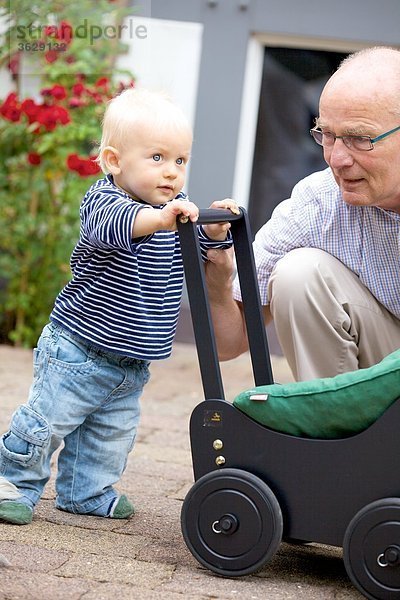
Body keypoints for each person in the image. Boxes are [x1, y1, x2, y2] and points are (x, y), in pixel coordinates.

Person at [0, 88, 237, 525]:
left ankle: (85, 491)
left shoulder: (170, 210)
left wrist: (215, 228)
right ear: (114, 161)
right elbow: (121, 227)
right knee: (46, 423)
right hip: (78, 350)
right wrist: (165, 217)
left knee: (110, 436)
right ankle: (13, 482)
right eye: (157, 158)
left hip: (131, 362)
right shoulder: (105, 203)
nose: (171, 172)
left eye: (180, 161)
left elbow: (198, 249)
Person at [206, 46, 400, 382]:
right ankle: (337, 428)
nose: (336, 158)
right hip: (383, 375)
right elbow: (229, 343)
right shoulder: (318, 201)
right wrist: (219, 282)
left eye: (359, 138)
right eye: (326, 135)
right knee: (298, 274)